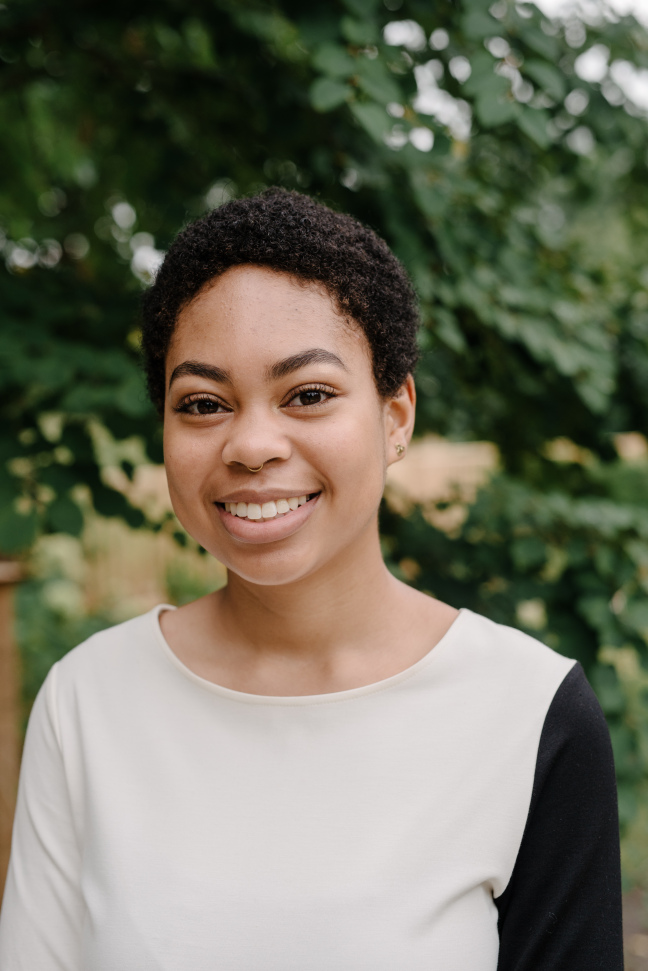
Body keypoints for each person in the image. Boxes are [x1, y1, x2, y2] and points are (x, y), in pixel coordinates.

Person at [0, 188, 622, 970]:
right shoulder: (88, 700)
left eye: (309, 394)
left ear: (396, 417)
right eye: (202, 402)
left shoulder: (531, 712)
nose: (252, 443)